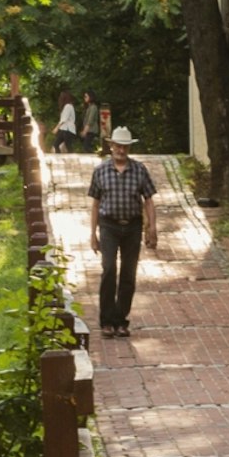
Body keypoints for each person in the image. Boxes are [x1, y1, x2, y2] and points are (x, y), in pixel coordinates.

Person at [89, 125, 159, 336]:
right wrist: (92, 233)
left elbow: (148, 200)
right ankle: (106, 321)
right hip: (108, 225)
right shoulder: (100, 170)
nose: (121, 149)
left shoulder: (139, 170)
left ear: (129, 148)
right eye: (118, 146)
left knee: (129, 273)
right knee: (109, 269)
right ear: (111, 146)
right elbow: (94, 203)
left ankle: (121, 320)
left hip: (132, 226)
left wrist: (152, 227)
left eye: (125, 146)